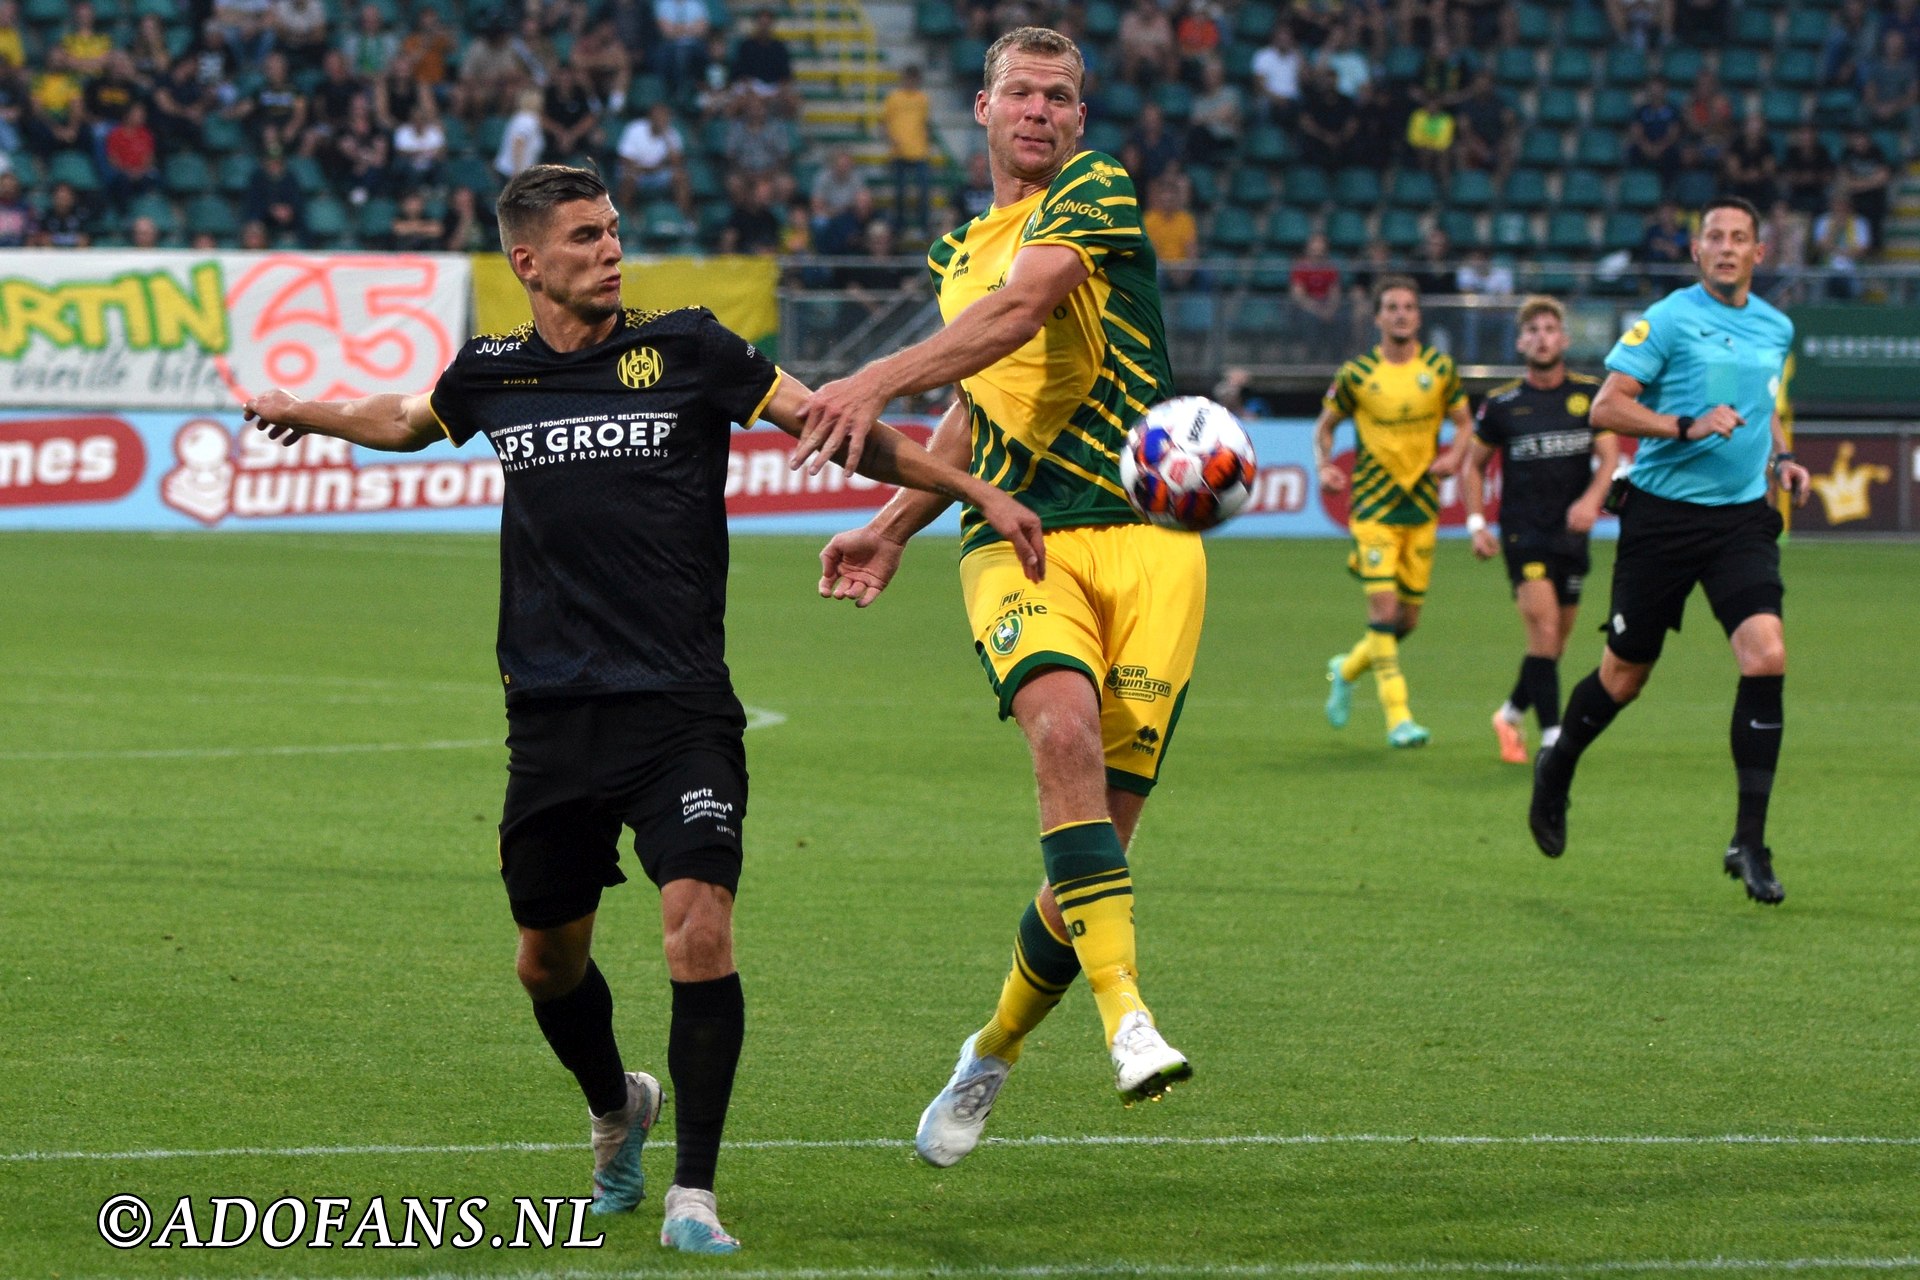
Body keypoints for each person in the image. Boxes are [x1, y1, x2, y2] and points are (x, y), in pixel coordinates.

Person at [239, 162, 1043, 1255]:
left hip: (680, 708)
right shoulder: (493, 372)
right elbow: (406, 418)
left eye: (614, 230)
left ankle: (694, 1193)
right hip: (553, 715)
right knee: (546, 961)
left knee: (698, 925)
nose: (609, 249)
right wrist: (308, 411)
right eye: (583, 236)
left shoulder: (694, 350)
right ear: (527, 261)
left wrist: (976, 492)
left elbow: (837, 425)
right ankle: (618, 1104)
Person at [801, 25, 1200, 1168]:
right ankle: (1129, 1014)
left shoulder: (1096, 192)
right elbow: (980, 394)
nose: (1040, 110)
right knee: (1060, 726)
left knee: (1096, 852)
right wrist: (891, 526)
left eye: (1060, 96)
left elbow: (1024, 313)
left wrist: (872, 376)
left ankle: (993, 1047)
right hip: (1020, 545)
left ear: (1080, 118)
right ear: (979, 108)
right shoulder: (956, 252)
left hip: (1154, 545)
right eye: (1019, 92)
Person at [1529, 196, 1811, 904]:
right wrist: (1684, 426)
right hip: (1660, 520)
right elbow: (1606, 407)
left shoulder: (1776, 326)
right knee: (1623, 678)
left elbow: (1764, 400)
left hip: (1741, 521)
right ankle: (1558, 762)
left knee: (1767, 654)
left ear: (1758, 253)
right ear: (1696, 251)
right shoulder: (1669, 320)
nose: (1725, 247)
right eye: (1713, 236)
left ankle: (1750, 840)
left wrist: (1780, 460)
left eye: (1738, 237)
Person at [1461, 296, 1620, 765]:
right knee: (1546, 627)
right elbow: (1473, 468)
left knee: (1552, 643)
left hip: (1571, 536)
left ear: (1564, 339)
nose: (1542, 337)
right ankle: (1553, 737)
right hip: (1522, 533)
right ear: (1520, 342)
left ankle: (1509, 713)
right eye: (1533, 331)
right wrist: (1476, 524)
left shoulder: (1590, 396)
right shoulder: (1502, 404)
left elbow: (1610, 458)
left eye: (1550, 329)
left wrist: (1592, 501)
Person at [1316, 276, 1472, 748]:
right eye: (1392, 307)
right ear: (1379, 317)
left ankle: (1345, 669)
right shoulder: (1357, 375)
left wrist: (1454, 456)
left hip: (1421, 509)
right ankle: (1398, 716)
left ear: (1418, 316)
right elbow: (1325, 427)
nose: (1401, 314)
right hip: (1373, 508)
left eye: (1408, 306)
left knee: (1405, 622)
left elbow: (1465, 423)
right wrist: (1324, 465)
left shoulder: (1440, 370)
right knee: (1382, 609)